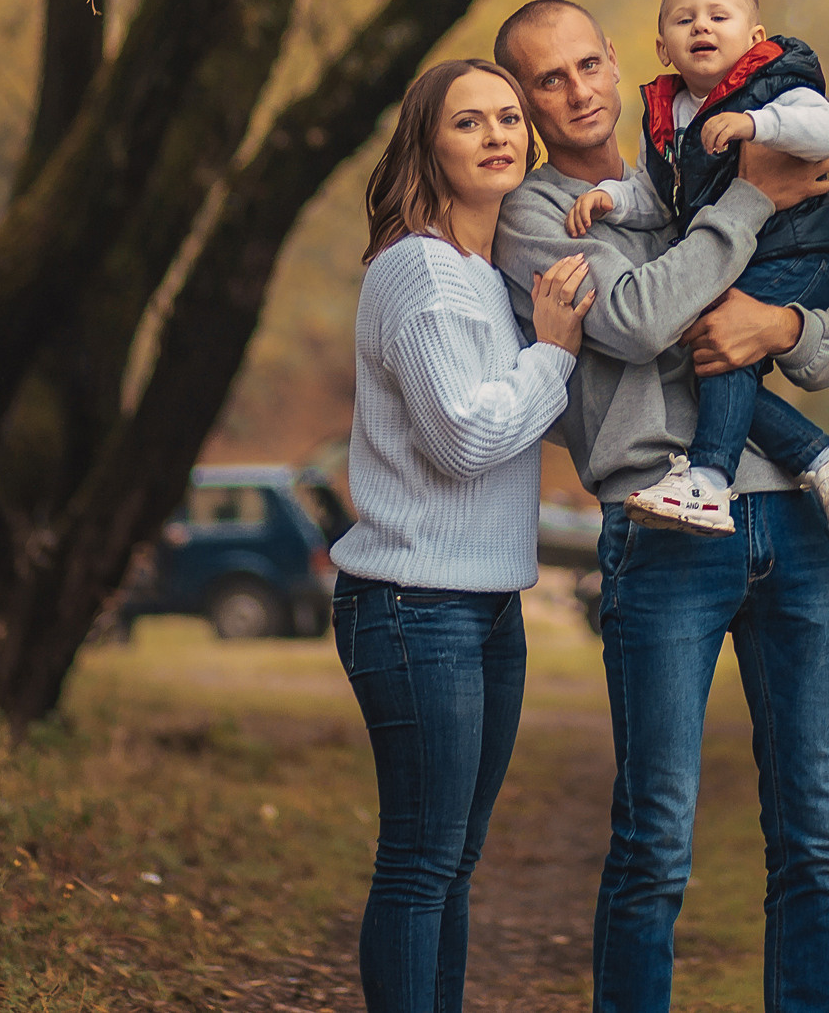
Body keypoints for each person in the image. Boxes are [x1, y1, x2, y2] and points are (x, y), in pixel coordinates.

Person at [491, 0, 829, 1013]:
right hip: (661, 528)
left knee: (818, 830)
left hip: (787, 515)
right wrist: (748, 201)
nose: (575, 91)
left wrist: (775, 320)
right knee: (656, 835)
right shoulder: (534, 217)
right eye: (547, 80)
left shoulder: (676, 161)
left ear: (616, 63)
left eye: (584, 65)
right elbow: (643, 319)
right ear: (524, 102)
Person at [328, 57, 595, 1013]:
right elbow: (469, 437)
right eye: (468, 122)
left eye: (510, 119)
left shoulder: (487, 280)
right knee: (420, 859)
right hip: (413, 607)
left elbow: (521, 414)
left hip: (483, 606)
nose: (498, 135)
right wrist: (555, 352)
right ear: (426, 147)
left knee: (453, 861)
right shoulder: (421, 271)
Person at [565, 0, 829, 540]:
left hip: (795, 249)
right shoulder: (668, 115)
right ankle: (828, 460)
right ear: (663, 48)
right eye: (685, 20)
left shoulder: (777, 79)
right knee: (715, 357)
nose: (701, 27)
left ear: (754, 38)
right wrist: (611, 198)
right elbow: (656, 198)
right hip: (748, 256)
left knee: (724, 353)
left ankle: (709, 480)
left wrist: (758, 124)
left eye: (718, 16)